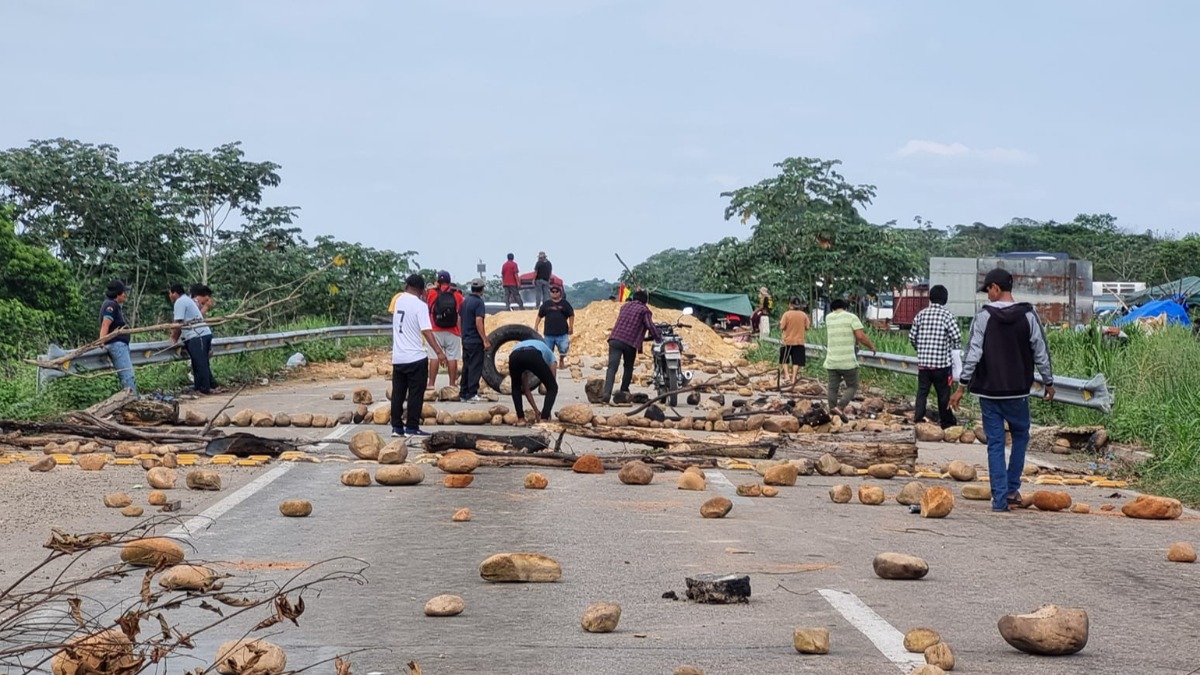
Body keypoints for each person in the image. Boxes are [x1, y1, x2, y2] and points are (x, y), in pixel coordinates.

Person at [951, 268, 1055, 513]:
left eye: (988, 290)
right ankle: (1011, 490)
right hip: (1018, 391)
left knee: (995, 444)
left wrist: (961, 386)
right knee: (1020, 437)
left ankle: (999, 500)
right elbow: (1041, 350)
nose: (987, 295)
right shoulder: (1028, 315)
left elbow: (973, 353)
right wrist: (1048, 381)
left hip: (988, 391)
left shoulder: (984, 317)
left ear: (996, 288)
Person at [392, 274, 447, 437]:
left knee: (398, 393)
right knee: (416, 393)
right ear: (422, 290)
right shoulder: (419, 305)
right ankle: (412, 426)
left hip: (398, 356)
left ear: (407, 286)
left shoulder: (398, 300)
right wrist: (439, 352)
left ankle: (396, 426)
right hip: (415, 357)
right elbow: (426, 331)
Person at [909, 284, 961, 428]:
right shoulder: (948, 316)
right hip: (941, 365)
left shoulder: (921, 315)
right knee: (943, 395)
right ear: (945, 299)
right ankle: (946, 422)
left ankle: (918, 420)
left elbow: (912, 337)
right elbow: (957, 337)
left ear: (930, 298)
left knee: (922, 393)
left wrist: (920, 350)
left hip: (924, 364)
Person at [602, 290, 661, 404]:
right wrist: (658, 337)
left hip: (615, 339)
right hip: (630, 342)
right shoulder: (644, 310)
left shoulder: (625, 307)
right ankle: (624, 390)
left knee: (612, 367)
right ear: (646, 301)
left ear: (633, 298)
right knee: (628, 367)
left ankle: (606, 393)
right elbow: (650, 326)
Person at [823, 298, 876, 416]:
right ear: (845, 308)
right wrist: (871, 346)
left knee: (832, 388)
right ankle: (840, 407)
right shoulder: (851, 317)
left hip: (832, 360)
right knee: (852, 386)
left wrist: (856, 342)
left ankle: (832, 411)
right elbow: (860, 336)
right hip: (847, 361)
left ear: (832, 309)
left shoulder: (829, 318)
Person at [169, 283, 214, 396]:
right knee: (199, 362)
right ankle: (202, 387)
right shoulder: (187, 301)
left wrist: (173, 338)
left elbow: (178, 323)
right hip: (200, 334)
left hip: (197, 335)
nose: (170, 296)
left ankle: (203, 388)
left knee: (199, 363)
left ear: (174, 293)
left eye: (170, 293)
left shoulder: (180, 302)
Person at [425, 271, 463, 390]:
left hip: (435, 329)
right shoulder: (456, 294)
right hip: (453, 330)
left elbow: (428, 306)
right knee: (452, 358)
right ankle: (452, 384)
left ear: (438, 281)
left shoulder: (431, 293)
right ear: (449, 280)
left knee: (434, 357)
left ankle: (431, 384)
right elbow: (460, 311)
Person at [507, 338, 558, 425]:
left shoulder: (522, 346)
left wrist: (536, 411)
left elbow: (526, 389)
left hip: (514, 356)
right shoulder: (551, 357)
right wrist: (546, 411)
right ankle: (544, 419)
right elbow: (551, 385)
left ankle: (521, 419)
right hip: (532, 354)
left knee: (516, 387)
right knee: (553, 387)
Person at [99, 279, 136, 396]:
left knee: (127, 374)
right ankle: (133, 399)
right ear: (117, 293)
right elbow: (106, 324)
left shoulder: (113, 305)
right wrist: (102, 341)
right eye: (123, 292)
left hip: (119, 344)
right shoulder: (111, 305)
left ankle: (130, 398)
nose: (125, 295)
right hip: (117, 345)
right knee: (127, 375)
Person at [458, 278, 491, 402]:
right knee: (475, 366)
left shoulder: (465, 301)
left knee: (466, 365)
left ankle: (463, 393)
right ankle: (472, 393)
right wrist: (484, 340)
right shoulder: (478, 302)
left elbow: (459, 319)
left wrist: (462, 333)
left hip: (466, 339)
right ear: (482, 289)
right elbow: (479, 321)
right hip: (475, 340)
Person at [535, 284, 574, 361]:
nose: (555, 293)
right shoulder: (546, 304)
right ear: (550, 293)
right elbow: (539, 316)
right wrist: (536, 326)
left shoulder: (565, 304)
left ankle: (561, 360)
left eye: (557, 291)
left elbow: (571, 315)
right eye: (553, 291)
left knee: (564, 349)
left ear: (560, 293)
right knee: (548, 351)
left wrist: (571, 326)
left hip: (562, 333)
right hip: (549, 334)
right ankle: (550, 365)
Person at [778, 297, 811, 383]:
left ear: (790, 305)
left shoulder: (786, 314)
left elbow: (782, 326)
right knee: (797, 361)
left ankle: (787, 376)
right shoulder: (804, 315)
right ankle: (793, 378)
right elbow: (807, 327)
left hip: (787, 341)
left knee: (785, 359)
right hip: (799, 341)